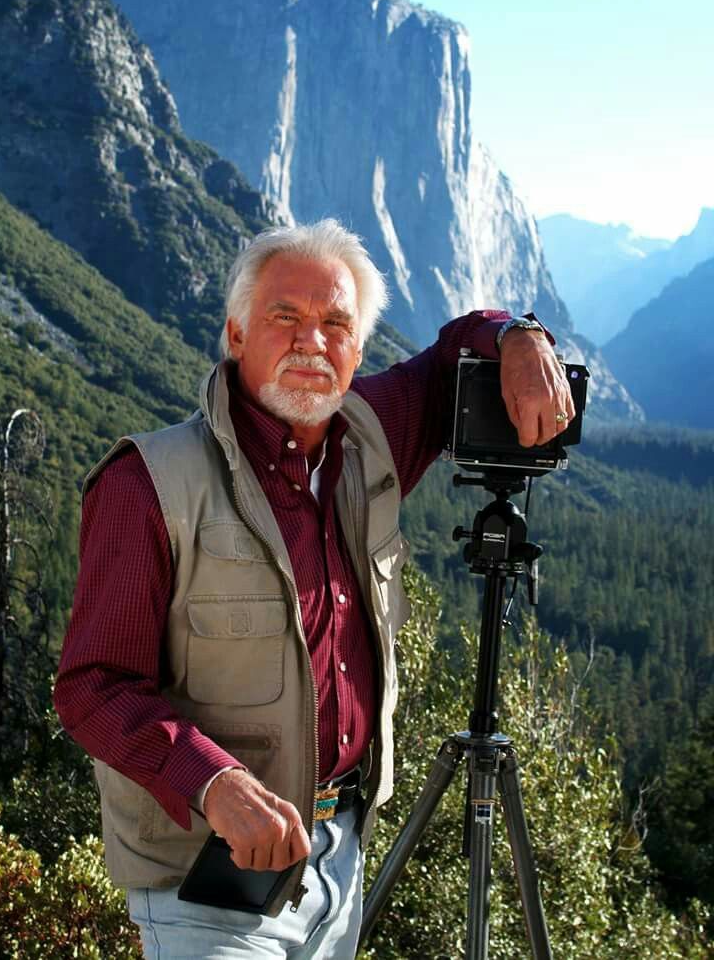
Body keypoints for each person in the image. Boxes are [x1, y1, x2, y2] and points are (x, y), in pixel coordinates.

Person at [54, 219, 574, 959]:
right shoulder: (148, 484)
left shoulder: (375, 434)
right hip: (205, 879)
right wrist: (214, 783)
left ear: (359, 351)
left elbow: (457, 344)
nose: (313, 342)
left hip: (339, 864)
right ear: (235, 335)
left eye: (336, 323)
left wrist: (521, 335)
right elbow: (91, 686)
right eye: (284, 318)